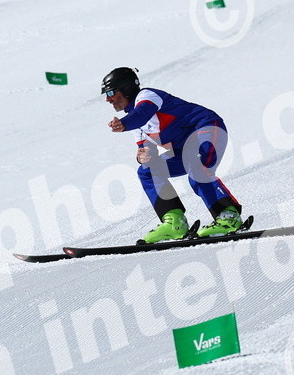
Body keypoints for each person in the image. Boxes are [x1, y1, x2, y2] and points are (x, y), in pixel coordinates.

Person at [102, 67, 244, 243]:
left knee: (197, 167)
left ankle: (228, 216)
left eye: (110, 92)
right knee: (147, 171)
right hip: (184, 150)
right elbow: (146, 149)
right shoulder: (134, 123)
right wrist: (142, 156)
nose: (108, 99)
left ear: (126, 89)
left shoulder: (147, 96)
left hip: (207, 128)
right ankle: (174, 222)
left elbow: (142, 114)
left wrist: (124, 124)